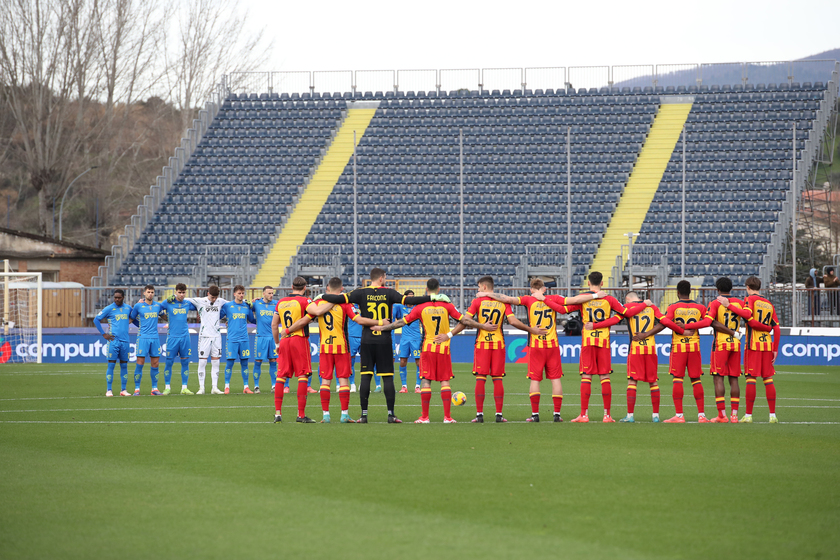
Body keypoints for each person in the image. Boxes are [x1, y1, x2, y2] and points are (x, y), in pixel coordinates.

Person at [318, 268, 442, 423]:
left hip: (367, 340)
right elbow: (410, 301)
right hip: (384, 339)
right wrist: (431, 298)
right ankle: (391, 415)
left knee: (365, 377)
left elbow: (337, 299)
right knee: (388, 378)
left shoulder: (360, 293)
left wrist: (321, 295)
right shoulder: (389, 293)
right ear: (382, 278)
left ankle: (363, 416)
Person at [478, 278, 604, 422]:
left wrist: (486, 295)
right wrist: (595, 296)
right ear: (544, 289)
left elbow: (507, 299)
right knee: (555, 379)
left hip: (536, 345)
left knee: (535, 379)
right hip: (552, 345)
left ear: (531, 289)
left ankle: (535, 415)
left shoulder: (528, 299)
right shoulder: (553, 298)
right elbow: (575, 300)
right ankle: (557, 415)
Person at [374, 278, 494, 423]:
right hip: (443, 348)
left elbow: (401, 322)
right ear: (438, 290)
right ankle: (447, 417)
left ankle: (425, 417)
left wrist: (381, 327)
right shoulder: (447, 306)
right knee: (445, 382)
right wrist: (483, 326)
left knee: (426, 381)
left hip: (428, 347)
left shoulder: (420, 307)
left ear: (426, 290)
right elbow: (465, 321)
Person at [455, 275, 544, 423]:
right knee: (497, 379)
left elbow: (466, 320)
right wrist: (530, 329)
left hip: (482, 344)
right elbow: (513, 321)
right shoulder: (502, 302)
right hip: (498, 345)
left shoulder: (477, 302)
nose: (478, 290)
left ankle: (479, 415)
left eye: (479, 287)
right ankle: (499, 415)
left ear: (484, 287)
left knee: (480, 378)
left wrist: (479, 326)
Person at [305, 277, 389, 423]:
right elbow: (360, 320)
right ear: (342, 289)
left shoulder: (318, 303)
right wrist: (380, 322)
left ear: (327, 289)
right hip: (342, 347)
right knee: (343, 380)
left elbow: (308, 317)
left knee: (325, 381)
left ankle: (326, 415)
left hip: (325, 347)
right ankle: (344, 414)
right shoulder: (345, 304)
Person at [638, 280, 711, 423]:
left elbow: (663, 323)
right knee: (696, 379)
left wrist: (647, 334)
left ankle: (679, 416)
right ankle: (701, 415)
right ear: (690, 292)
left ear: (677, 293)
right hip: (695, 346)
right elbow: (708, 322)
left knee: (678, 379)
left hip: (679, 347)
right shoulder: (700, 307)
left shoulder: (673, 307)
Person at [588, 292, 663, 423]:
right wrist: (647, 334)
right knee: (653, 382)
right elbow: (663, 323)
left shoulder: (627, 308)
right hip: (651, 349)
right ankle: (655, 416)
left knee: (632, 381)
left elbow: (614, 320)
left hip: (635, 349)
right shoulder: (652, 307)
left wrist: (594, 326)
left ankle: (630, 415)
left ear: (627, 298)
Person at [568, 271, 631, 423]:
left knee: (586, 376)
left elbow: (565, 308)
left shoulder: (583, 299)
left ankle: (584, 415)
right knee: (605, 376)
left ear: (588, 283)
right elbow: (624, 313)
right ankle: (607, 415)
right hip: (603, 342)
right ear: (602, 283)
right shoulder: (609, 299)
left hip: (588, 342)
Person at [703, 277, 752, 423]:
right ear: (731, 288)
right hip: (735, 344)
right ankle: (734, 416)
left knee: (718, 377)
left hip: (721, 343)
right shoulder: (739, 303)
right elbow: (747, 317)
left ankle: (722, 415)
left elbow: (711, 322)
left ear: (717, 289)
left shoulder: (715, 302)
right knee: (734, 378)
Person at [272, 277, 315, 423]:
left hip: (284, 341)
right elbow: (313, 313)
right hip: (299, 339)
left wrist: (277, 343)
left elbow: (273, 325)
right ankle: (301, 415)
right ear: (305, 287)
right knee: (303, 375)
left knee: (281, 376)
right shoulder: (305, 301)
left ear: (292, 286)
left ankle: (278, 413)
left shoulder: (281, 302)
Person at [741, 276, 781, 423]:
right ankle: (772, 415)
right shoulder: (769, 304)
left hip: (753, 344)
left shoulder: (749, 300)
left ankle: (748, 415)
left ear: (748, 287)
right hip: (767, 345)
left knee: (751, 378)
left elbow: (749, 319)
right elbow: (776, 328)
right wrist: (775, 348)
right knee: (768, 379)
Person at [184, 286, 228, 394]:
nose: (214, 299)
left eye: (215, 297)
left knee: (216, 362)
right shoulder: (200, 301)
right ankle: (201, 388)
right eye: (212, 297)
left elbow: (233, 304)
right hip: (204, 336)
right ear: (208, 294)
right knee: (202, 362)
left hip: (217, 336)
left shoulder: (220, 301)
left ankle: (214, 387)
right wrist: (173, 298)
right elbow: (184, 299)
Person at [93, 289, 137, 396]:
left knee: (124, 366)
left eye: (119, 297)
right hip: (113, 341)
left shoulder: (128, 308)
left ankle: (123, 390)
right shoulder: (109, 308)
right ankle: (109, 390)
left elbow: (134, 319)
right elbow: (96, 319)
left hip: (125, 341)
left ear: (123, 297)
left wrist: (143, 326)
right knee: (111, 365)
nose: (117, 299)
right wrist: (104, 334)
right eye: (115, 297)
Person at [158, 283, 196, 395]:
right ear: (175, 292)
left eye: (183, 292)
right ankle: (167, 387)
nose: (181, 294)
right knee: (169, 362)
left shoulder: (187, 303)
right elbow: (157, 308)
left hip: (185, 337)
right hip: (172, 337)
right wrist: (165, 317)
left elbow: (200, 305)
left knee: (185, 362)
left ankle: (184, 387)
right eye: (179, 292)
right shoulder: (168, 302)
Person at [129, 285, 166, 395]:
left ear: (154, 294)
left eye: (152, 292)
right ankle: (137, 389)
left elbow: (165, 317)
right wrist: (139, 325)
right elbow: (131, 318)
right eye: (148, 292)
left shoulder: (158, 306)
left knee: (155, 363)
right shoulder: (138, 306)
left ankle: (154, 389)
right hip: (143, 337)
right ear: (144, 293)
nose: (150, 294)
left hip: (155, 337)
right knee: (140, 362)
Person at [220, 285, 256, 394]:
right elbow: (217, 316)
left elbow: (252, 320)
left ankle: (246, 387)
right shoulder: (227, 306)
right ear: (234, 294)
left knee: (245, 363)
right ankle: (227, 386)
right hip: (232, 339)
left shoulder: (247, 307)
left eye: (243, 293)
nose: (241, 295)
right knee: (229, 363)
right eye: (239, 293)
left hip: (244, 339)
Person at [393, 291, 422, 393]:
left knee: (418, 362)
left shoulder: (417, 308)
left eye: (412, 297)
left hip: (416, 339)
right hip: (404, 339)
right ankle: (404, 386)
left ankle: (417, 386)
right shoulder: (400, 307)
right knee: (402, 361)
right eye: (409, 297)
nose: (411, 299)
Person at [251, 286, 278, 393]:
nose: (271, 295)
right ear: (263, 294)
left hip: (272, 337)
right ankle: (256, 386)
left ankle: (274, 386)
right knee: (258, 361)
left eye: (272, 293)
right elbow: (244, 307)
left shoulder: (276, 304)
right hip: (260, 337)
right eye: (269, 293)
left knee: (273, 361)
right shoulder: (256, 304)